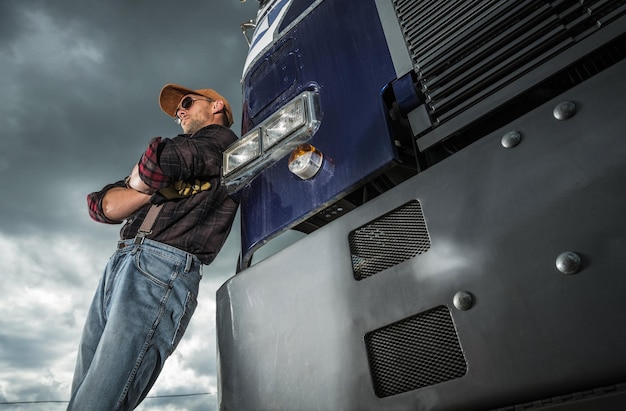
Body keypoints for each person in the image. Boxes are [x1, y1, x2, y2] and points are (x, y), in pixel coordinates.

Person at [67, 84, 239, 410]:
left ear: (217, 105)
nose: (180, 112)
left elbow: (157, 161)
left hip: (163, 265)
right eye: (177, 112)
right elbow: (101, 206)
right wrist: (147, 187)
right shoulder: (188, 151)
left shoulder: (222, 144)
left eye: (187, 102)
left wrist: (143, 182)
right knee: (82, 396)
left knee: (98, 401)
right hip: (122, 262)